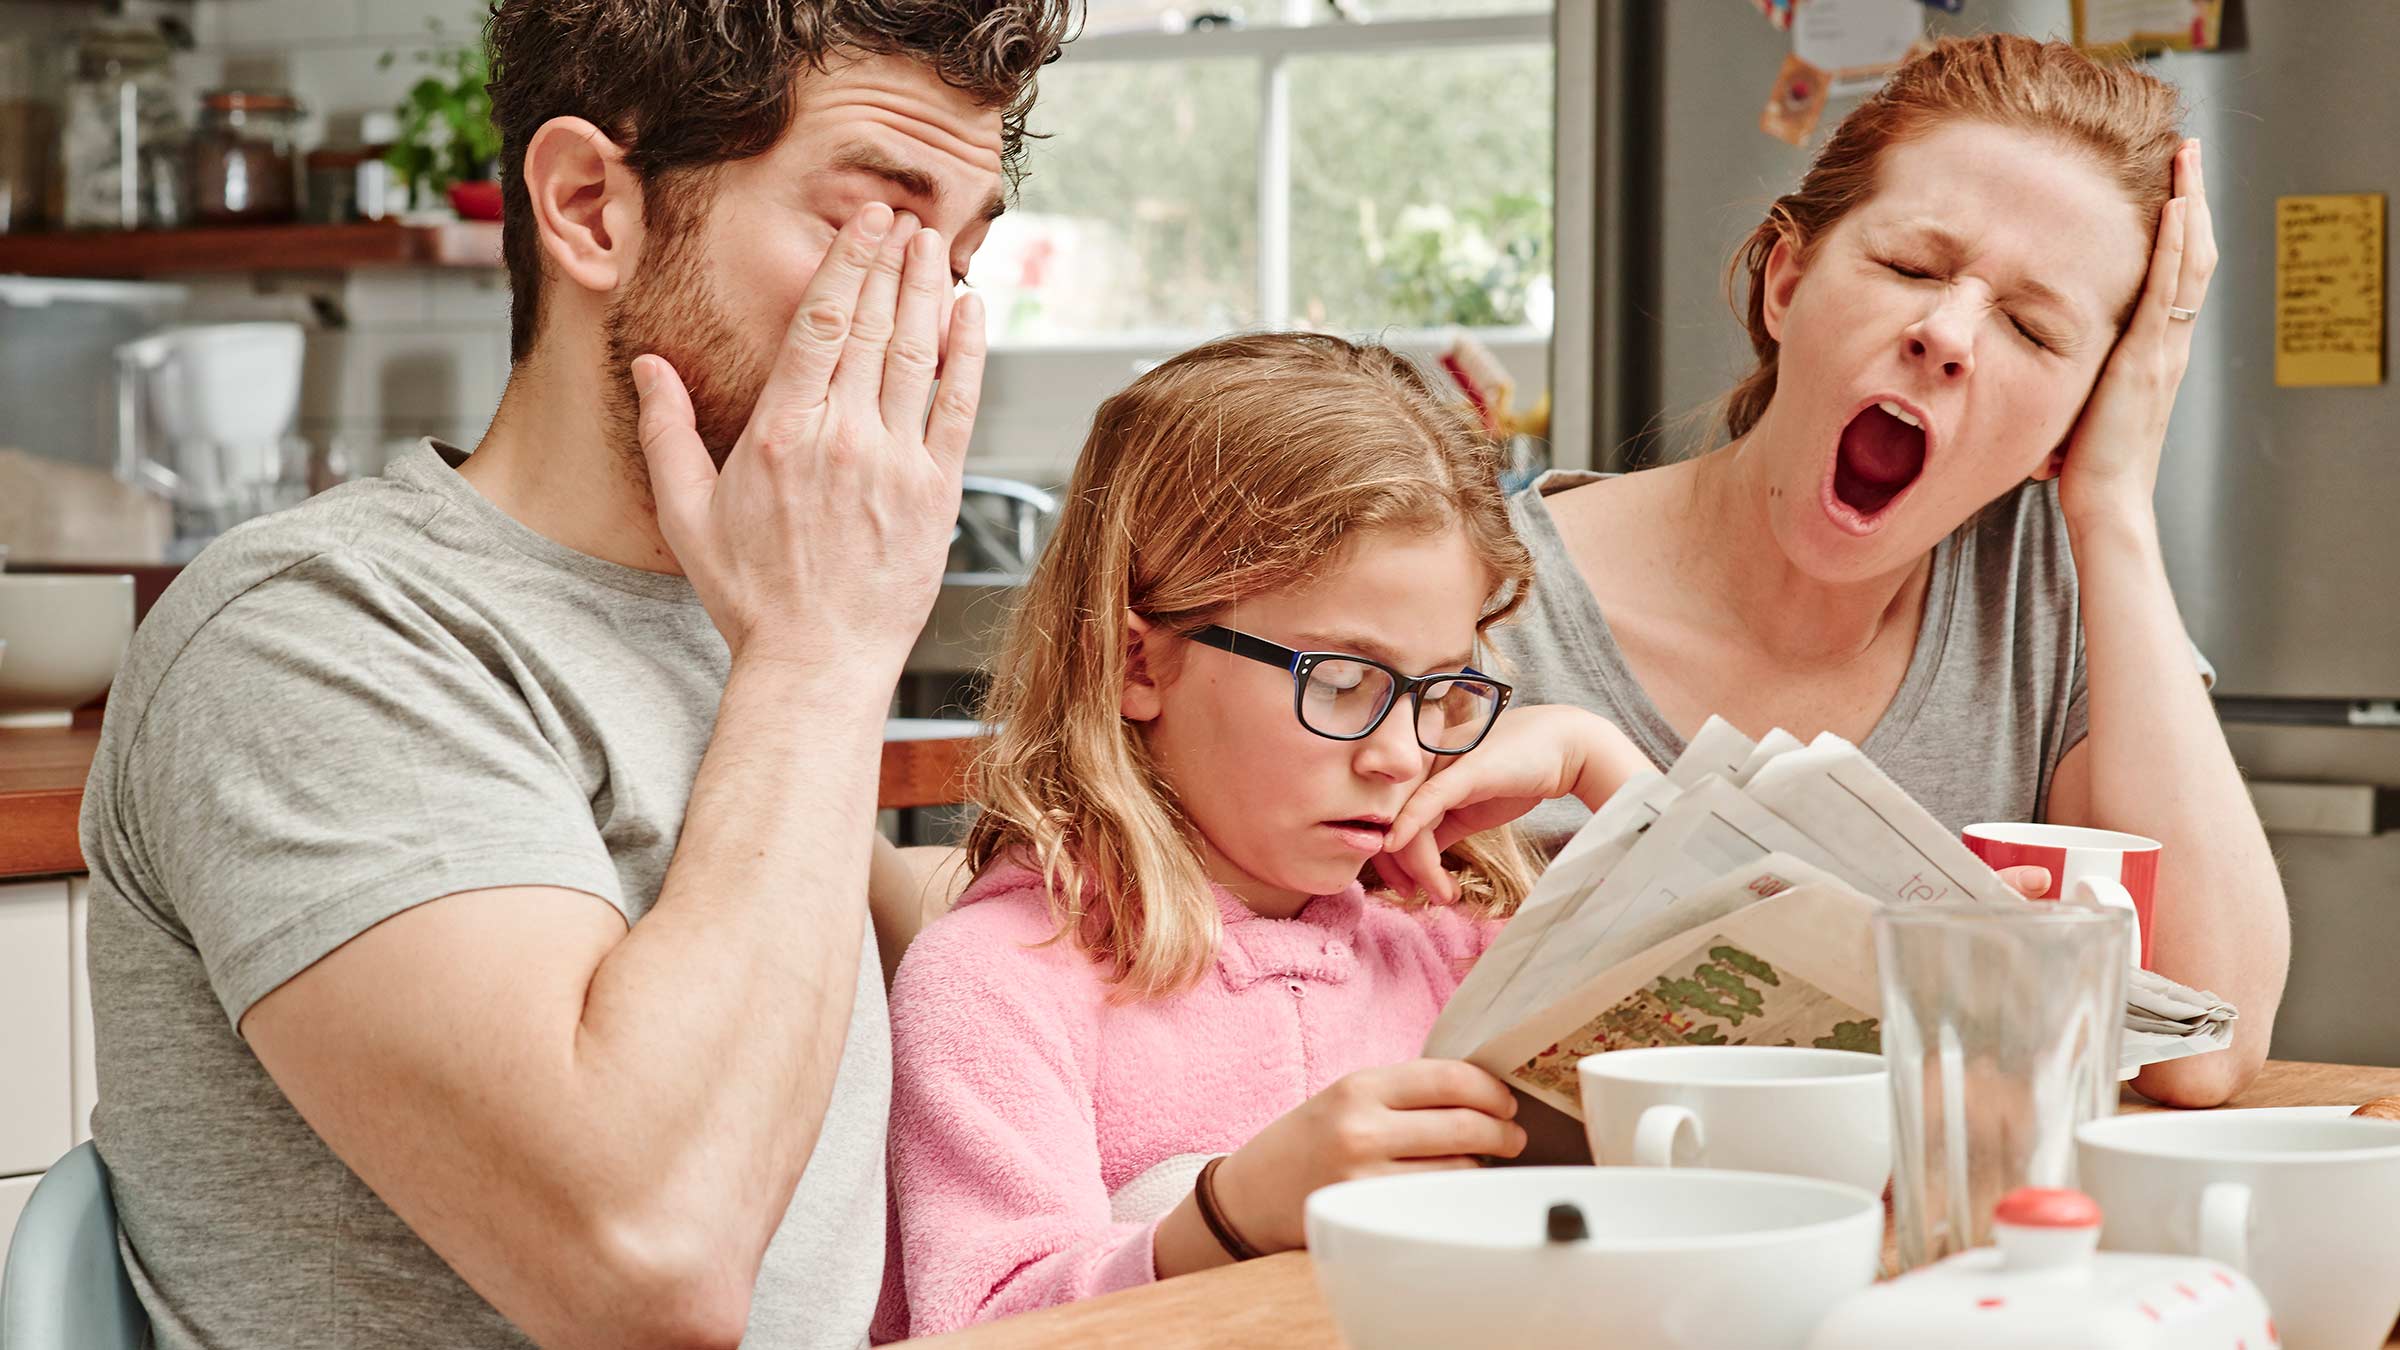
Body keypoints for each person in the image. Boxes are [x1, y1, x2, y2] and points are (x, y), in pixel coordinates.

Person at [75, 2, 1073, 1345]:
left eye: (952, 256)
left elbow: (937, 954)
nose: (920, 324)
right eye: (865, 233)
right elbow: (652, 1262)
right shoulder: (315, 633)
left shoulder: (738, 622)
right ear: (592, 207)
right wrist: (828, 652)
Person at [1379, 35, 2284, 1109]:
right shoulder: (1478, 607)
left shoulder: (2054, 591)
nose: (1948, 333)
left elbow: (2206, 1044)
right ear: (1788, 280)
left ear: (2073, 421)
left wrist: (2116, 504)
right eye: (1911, 267)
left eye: (2036, 331)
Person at [873, 333, 1650, 1339]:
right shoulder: (998, 984)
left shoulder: (1450, 946)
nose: (1399, 754)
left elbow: (1779, 1084)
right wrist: (1223, 1219)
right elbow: (983, 1326)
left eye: (1439, 693)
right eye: (1340, 681)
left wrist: (1603, 765)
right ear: (1136, 661)